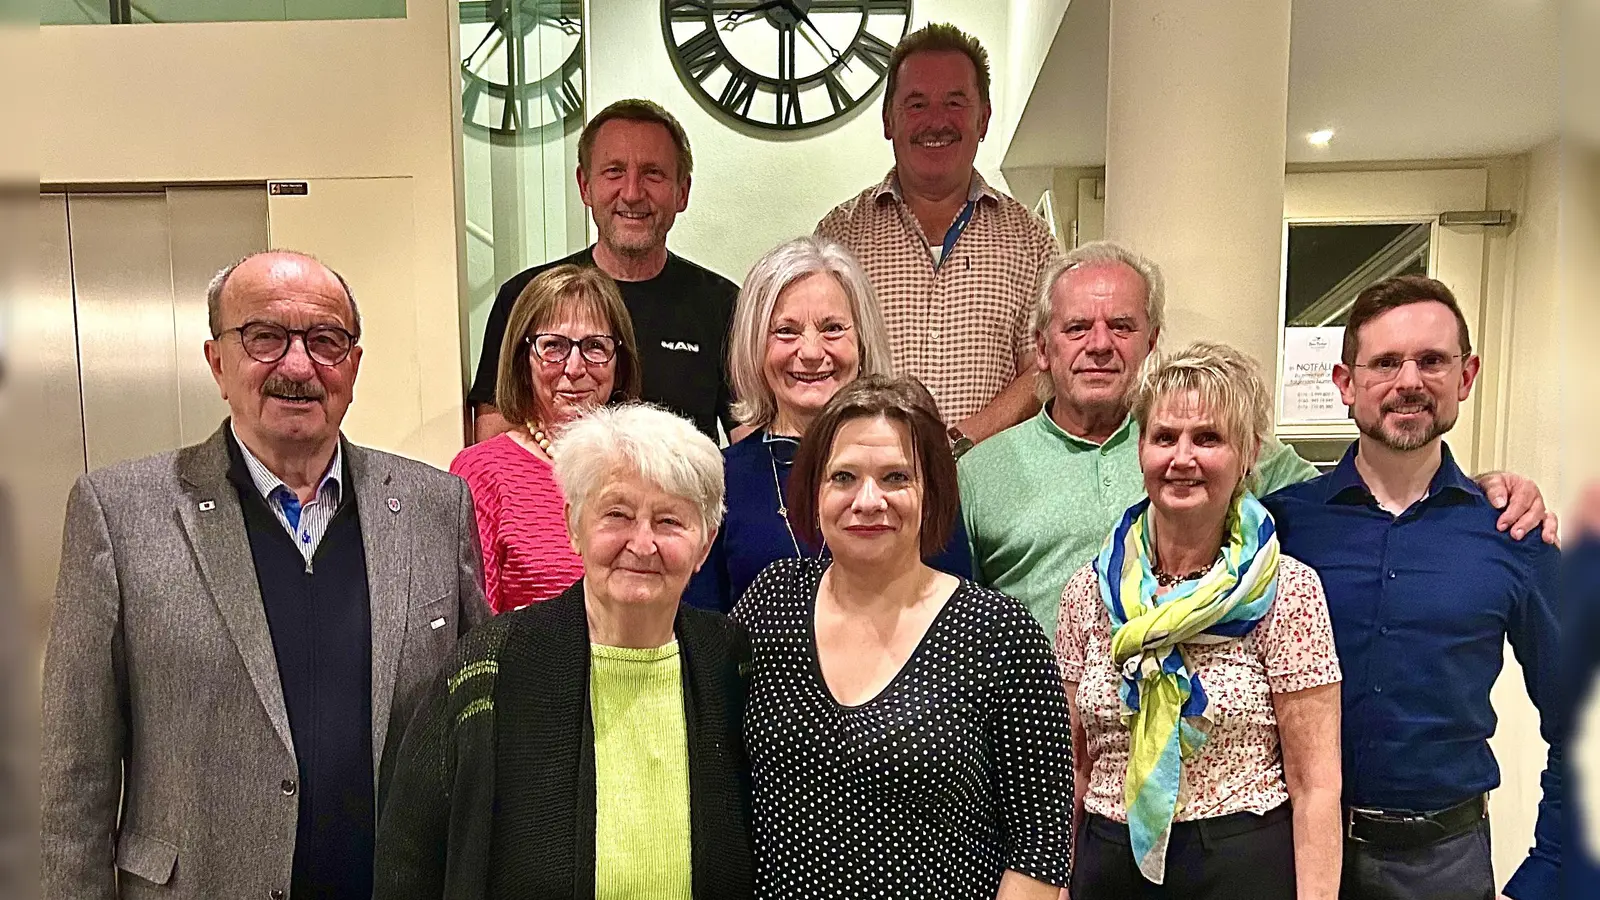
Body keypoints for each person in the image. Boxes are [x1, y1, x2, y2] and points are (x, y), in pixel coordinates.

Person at [40, 251, 491, 900]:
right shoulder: (118, 514)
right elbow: (74, 775)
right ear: (217, 362)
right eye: (265, 337)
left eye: (326, 341)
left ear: (354, 367)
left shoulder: (434, 507)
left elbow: (473, 727)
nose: (299, 366)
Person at [959, 240, 1558, 636]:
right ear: (1041, 347)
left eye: (1121, 325)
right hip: (1037, 760)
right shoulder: (978, 476)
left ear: (1151, 339)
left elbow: (1362, 499)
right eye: (1075, 328)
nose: (1098, 344)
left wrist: (1476, 490)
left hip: (1208, 759)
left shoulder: (1219, 451)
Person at [1262, 275, 1564, 900]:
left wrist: (1549, 875)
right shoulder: (1278, 528)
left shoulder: (1512, 534)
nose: (1408, 382)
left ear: (1466, 376)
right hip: (1291, 855)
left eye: (1431, 361)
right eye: (1384, 363)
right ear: (1346, 384)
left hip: (1443, 866)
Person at [373, 404, 753, 899]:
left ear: (705, 545)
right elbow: (409, 859)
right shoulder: (490, 667)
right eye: (616, 514)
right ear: (573, 526)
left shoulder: (730, 663)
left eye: (669, 521)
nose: (642, 543)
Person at [733, 375, 1072, 899]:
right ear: (814, 491)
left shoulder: (999, 634)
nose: (868, 500)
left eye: (895, 477)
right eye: (843, 477)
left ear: (932, 491)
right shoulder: (771, 603)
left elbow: (1039, 848)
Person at [1058, 342, 1343, 898]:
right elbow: (1075, 767)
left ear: (1248, 454)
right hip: (1109, 862)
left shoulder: (1288, 591)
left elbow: (1316, 787)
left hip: (1237, 864)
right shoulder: (1089, 592)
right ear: (1140, 449)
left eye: (1208, 439)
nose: (1181, 457)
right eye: (1164, 437)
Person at [683, 235, 971, 613]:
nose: (812, 352)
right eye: (786, 331)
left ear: (862, 340)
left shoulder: (915, 465)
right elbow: (700, 635)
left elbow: (958, 611)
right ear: (755, 345)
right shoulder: (718, 479)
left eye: (833, 328)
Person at [816, 23, 1059, 443]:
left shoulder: (1033, 243)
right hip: (870, 482)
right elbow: (820, 364)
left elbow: (1043, 366)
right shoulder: (839, 237)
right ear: (888, 120)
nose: (936, 121)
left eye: (954, 102)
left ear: (982, 119)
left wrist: (959, 442)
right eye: (916, 104)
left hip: (988, 484)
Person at [470, 99, 737, 443]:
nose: (632, 193)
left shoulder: (726, 306)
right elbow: (494, 444)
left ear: (681, 192)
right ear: (585, 185)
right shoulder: (525, 298)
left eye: (653, 173)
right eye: (614, 172)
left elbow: (749, 450)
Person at [450, 264, 642, 612]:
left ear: (620, 361)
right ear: (524, 360)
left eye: (595, 347)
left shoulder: (647, 463)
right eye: (553, 346)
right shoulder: (483, 472)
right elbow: (477, 625)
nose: (574, 368)